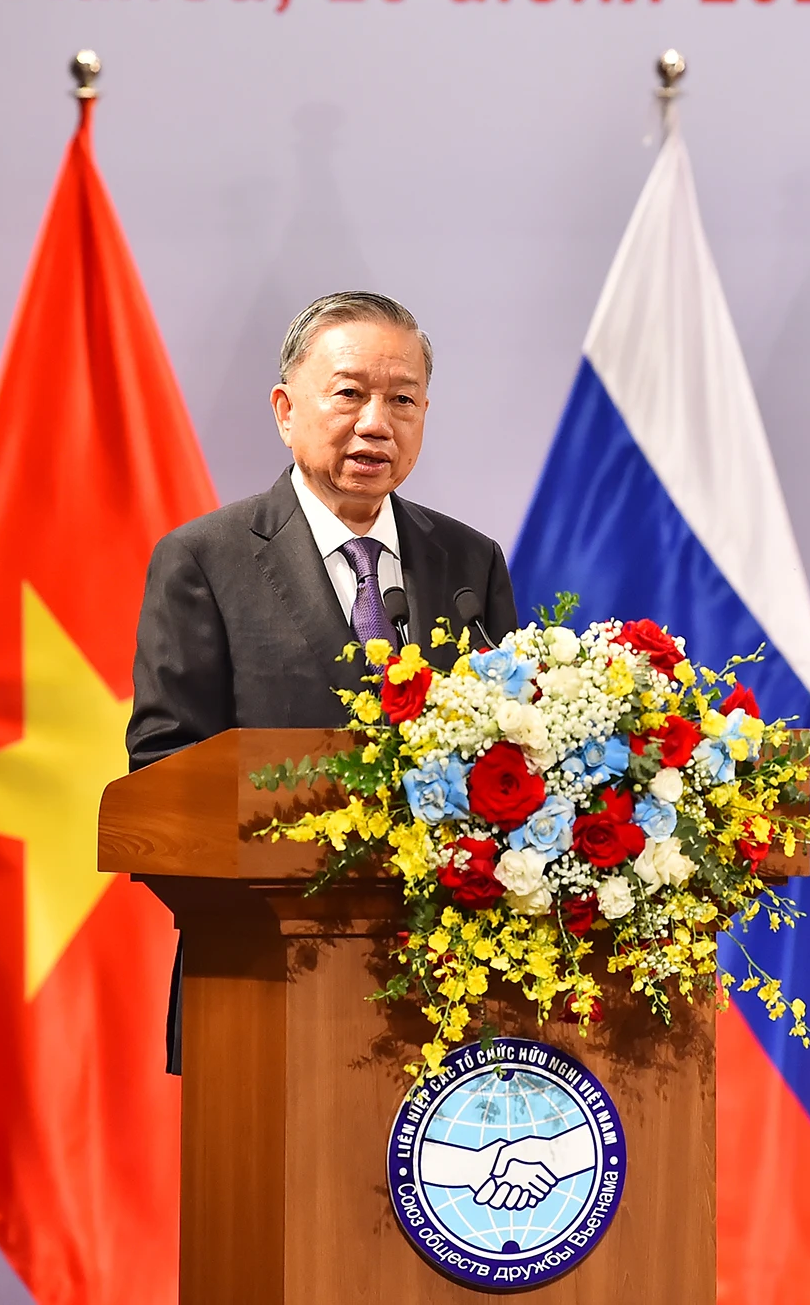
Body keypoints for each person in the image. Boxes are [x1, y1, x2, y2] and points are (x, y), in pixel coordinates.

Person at [126, 291, 519, 1069]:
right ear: (285, 407)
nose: (377, 421)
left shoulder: (469, 563)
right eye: (350, 393)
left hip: (450, 987)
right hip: (262, 975)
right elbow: (164, 775)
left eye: (402, 399)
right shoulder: (208, 559)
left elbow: (510, 758)